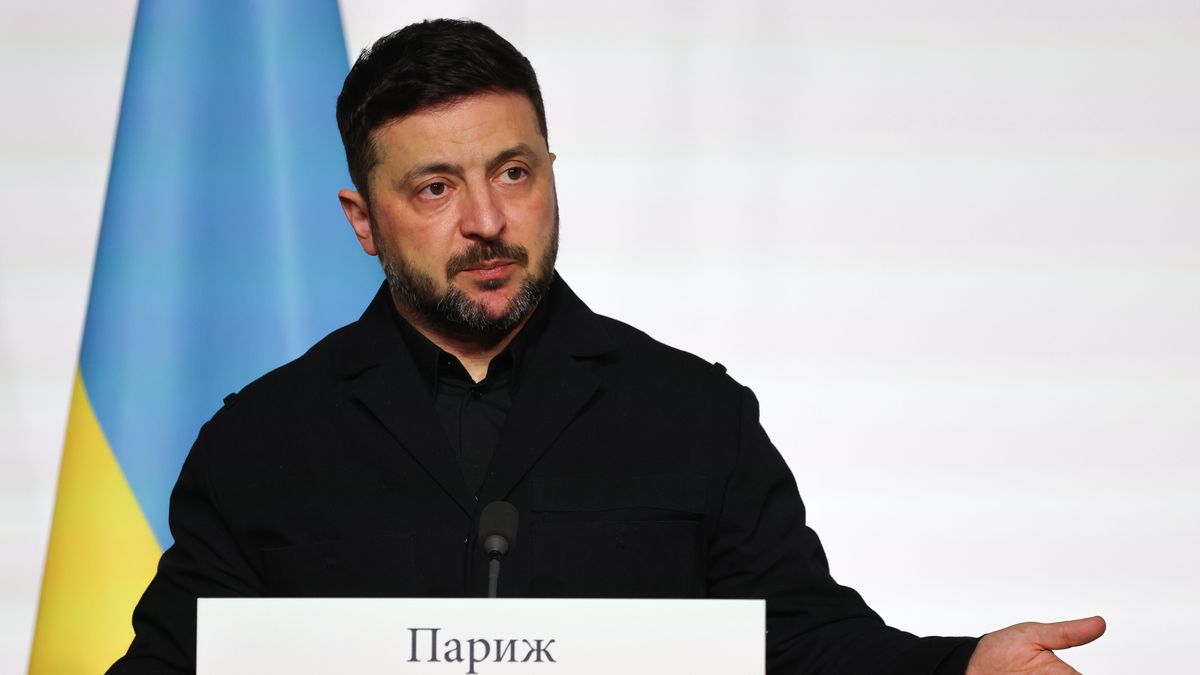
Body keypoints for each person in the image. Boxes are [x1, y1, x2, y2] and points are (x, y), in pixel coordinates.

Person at [109, 19, 1105, 674]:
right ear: (362, 220)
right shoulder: (264, 440)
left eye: (513, 172)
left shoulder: (692, 414)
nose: (489, 221)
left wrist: (963, 664)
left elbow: (796, 640)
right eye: (435, 188)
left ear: (552, 173)